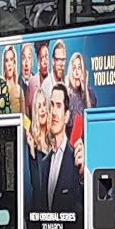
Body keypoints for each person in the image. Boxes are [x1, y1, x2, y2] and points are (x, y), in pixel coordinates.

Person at [34, 83, 83, 216]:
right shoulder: (44, 164)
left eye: (59, 106)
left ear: (67, 116)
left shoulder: (76, 160)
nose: (54, 112)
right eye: (52, 106)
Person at [3, 45, 23, 114]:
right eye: (6, 60)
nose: (9, 64)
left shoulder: (19, 90)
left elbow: (24, 117)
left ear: (14, 63)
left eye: (11, 60)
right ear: (4, 65)